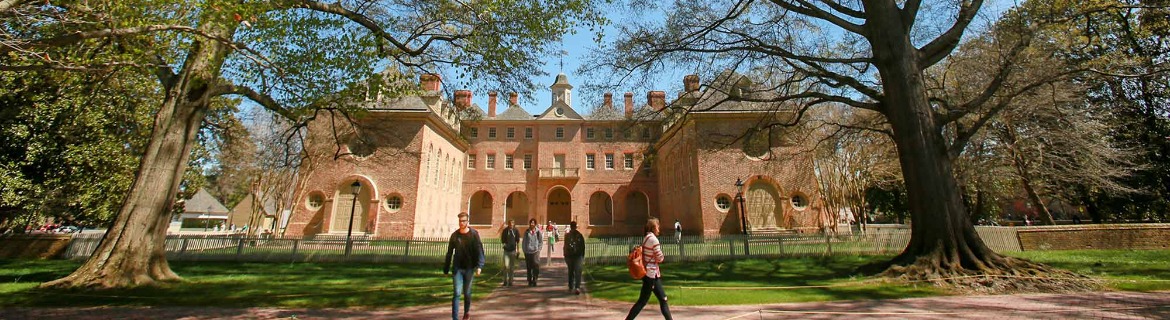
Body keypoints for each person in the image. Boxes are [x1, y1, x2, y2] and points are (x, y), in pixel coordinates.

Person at [625, 218, 673, 320]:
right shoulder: (653, 240)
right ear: (654, 227)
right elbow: (660, 258)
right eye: (658, 226)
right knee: (643, 301)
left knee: (662, 299)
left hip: (651, 274)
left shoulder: (646, 237)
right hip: (651, 274)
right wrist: (661, 257)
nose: (659, 229)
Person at [443, 212, 484, 320]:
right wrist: (446, 268)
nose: (461, 223)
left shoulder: (474, 234)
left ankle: (466, 313)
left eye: (464, 221)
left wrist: (479, 266)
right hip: (457, 269)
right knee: (456, 293)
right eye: (460, 221)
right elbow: (449, 252)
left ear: (467, 221)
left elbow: (479, 250)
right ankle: (455, 318)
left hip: (469, 268)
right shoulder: (455, 235)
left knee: (467, 293)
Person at [563, 221, 586, 295]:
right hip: (573, 256)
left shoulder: (578, 235)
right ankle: (575, 287)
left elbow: (582, 246)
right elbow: (583, 247)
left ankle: (574, 287)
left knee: (573, 272)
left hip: (575, 256)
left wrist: (565, 255)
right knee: (575, 272)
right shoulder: (570, 236)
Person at [522, 218, 543, 287]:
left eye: (533, 223)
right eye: (531, 223)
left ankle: (535, 278)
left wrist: (539, 249)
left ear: (535, 224)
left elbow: (540, 241)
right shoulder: (527, 231)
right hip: (528, 251)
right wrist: (524, 250)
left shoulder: (538, 232)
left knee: (536, 265)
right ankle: (529, 280)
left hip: (535, 251)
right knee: (529, 267)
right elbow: (524, 241)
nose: (532, 224)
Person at [500, 219, 520, 287]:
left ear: (514, 224)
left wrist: (518, 250)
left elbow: (517, 241)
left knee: (511, 267)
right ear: (508, 224)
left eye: (512, 224)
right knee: (505, 266)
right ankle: (505, 281)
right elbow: (502, 240)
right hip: (506, 251)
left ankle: (510, 281)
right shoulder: (505, 231)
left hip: (513, 250)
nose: (511, 225)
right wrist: (504, 244)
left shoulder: (516, 231)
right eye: (510, 224)